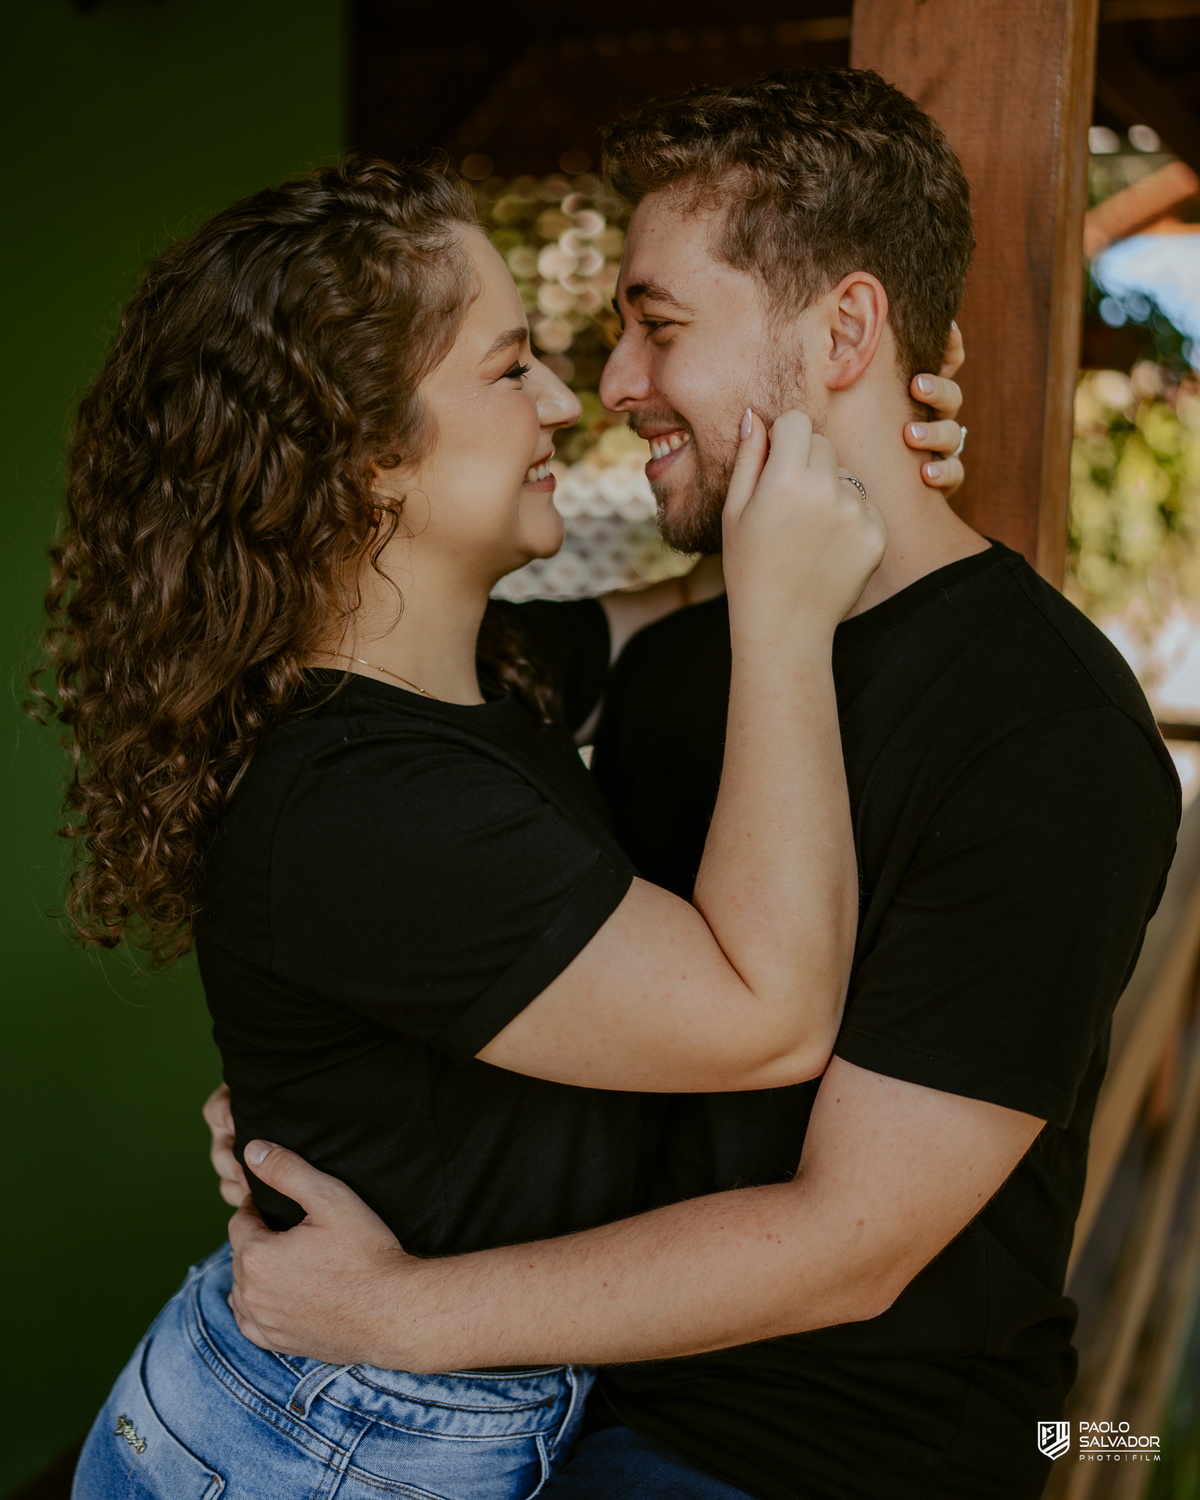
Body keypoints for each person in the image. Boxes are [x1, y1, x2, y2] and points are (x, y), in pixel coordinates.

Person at [210, 70, 1182, 1500]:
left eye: (659, 327)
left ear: (844, 330)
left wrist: (393, 1310)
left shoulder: (1046, 734)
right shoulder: (673, 666)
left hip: (811, 1456)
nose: (608, 388)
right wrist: (327, 1101)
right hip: (538, 1403)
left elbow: (853, 1242)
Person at [46, 151, 895, 1499]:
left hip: (355, 1406)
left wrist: (862, 458)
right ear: (366, 454)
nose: (567, 401)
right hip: (317, 1447)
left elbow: (680, 614)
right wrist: (788, 623)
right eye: (509, 370)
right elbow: (769, 1016)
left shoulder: (481, 674)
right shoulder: (366, 804)